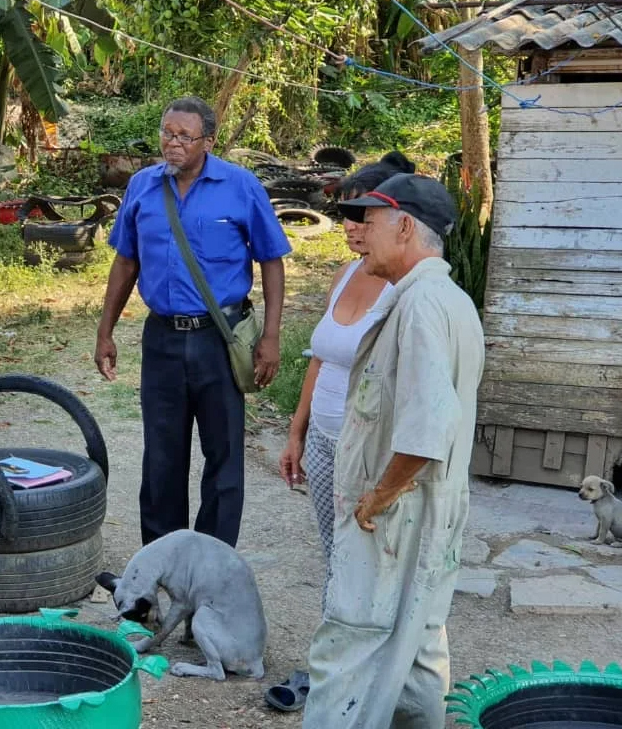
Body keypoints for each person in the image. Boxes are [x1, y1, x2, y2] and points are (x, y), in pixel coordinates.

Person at [301, 173, 484, 729]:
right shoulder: (446, 299)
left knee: (349, 648)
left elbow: (429, 428)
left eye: (371, 220)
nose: (361, 230)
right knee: (417, 647)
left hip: (397, 518)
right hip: (431, 510)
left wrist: (378, 496)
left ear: (404, 227)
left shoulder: (422, 306)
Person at [94, 96, 291, 549]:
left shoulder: (240, 186)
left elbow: (272, 260)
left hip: (219, 339)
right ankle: (163, 560)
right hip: (162, 339)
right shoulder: (142, 186)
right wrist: (106, 331)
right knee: (161, 457)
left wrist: (271, 336)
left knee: (224, 456)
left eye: (185, 135)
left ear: (209, 141)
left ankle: (212, 561)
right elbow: (125, 262)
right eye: (167, 133)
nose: (173, 143)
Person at [265, 152, 415, 714]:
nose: (351, 228)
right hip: (325, 440)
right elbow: (319, 358)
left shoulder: (403, 290)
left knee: (368, 560)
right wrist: (296, 432)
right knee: (335, 557)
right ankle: (334, 664)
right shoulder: (345, 274)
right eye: (346, 215)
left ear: (392, 221)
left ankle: (365, 674)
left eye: (361, 217)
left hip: (366, 449)